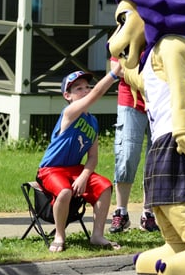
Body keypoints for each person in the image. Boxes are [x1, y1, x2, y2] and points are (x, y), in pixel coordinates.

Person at [36, 63, 122, 252]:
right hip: (51, 169)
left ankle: (97, 235)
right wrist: (115, 73)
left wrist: (84, 175)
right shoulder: (69, 112)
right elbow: (96, 94)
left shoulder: (93, 122)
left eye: (87, 87)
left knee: (104, 186)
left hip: (75, 169)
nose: (85, 91)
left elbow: (92, 157)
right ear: (67, 96)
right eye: (78, 88)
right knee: (65, 192)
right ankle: (59, 235)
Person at [110, 78, 159, 233]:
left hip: (161, 99)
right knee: (127, 155)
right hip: (130, 99)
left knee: (157, 157)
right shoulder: (125, 51)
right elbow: (116, 66)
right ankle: (121, 212)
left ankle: (148, 214)